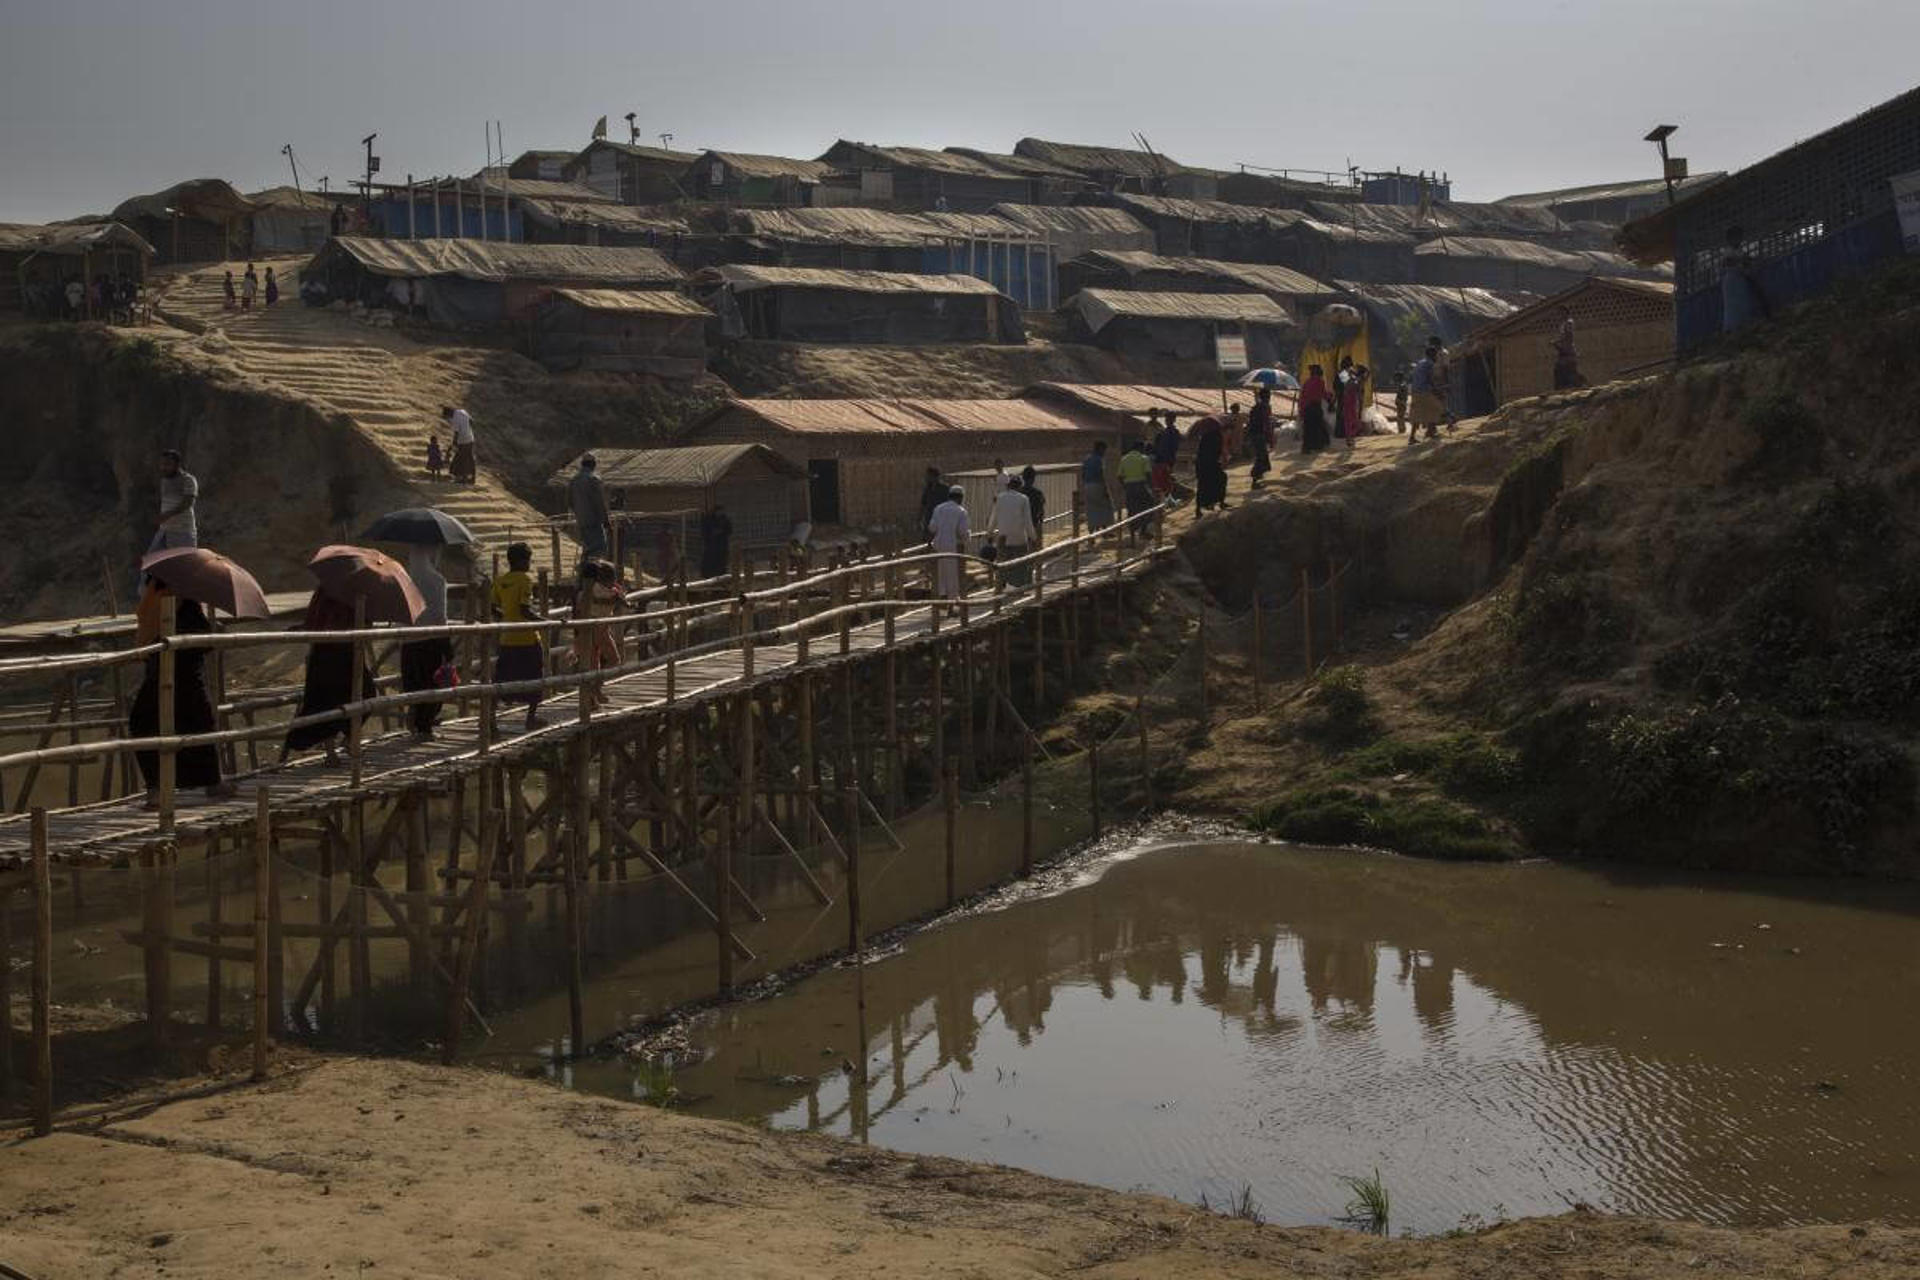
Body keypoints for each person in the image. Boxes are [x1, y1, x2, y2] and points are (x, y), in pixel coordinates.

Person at [128, 581, 232, 804]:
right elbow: (203, 642)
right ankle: (208, 783)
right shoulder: (178, 600)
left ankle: (158, 790)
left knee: (150, 726)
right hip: (178, 677)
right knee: (196, 726)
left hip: (165, 676)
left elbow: (146, 636)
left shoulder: (155, 599)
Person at [285, 589, 374, 763]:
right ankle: (333, 752)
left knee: (363, 694)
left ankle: (347, 741)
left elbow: (313, 619)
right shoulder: (331, 591)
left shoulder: (340, 591)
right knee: (326, 701)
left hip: (340, 652)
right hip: (331, 652)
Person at [490, 542, 548, 730]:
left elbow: (493, 607)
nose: (530, 563)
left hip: (507, 639)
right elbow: (525, 610)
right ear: (523, 561)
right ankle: (530, 718)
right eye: (529, 560)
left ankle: (491, 720)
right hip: (527, 639)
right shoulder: (525, 580)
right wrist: (543, 621)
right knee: (535, 677)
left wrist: (506, 618)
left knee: (501, 679)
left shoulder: (500, 581)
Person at [400, 545, 453, 740]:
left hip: (409, 641)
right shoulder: (437, 580)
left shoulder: (404, 580)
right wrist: (446, 644)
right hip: (431, 640)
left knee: (414, 684)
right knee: (432, 684)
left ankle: (417, 724)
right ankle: (425, 729)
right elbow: (440, 614)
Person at [572, 559, 624, 706]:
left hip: (594, 628)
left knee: (594, 664)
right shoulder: (599, 590)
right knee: (612, 660)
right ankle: (595, 692)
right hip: (596, 628)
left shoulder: (591, 590)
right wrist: (618, 597)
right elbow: (618, 601)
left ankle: (593, 695)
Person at [987, 474, 1037, 586]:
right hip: (1019, 538)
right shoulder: (1024, 499)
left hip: (1003, 539)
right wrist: (1033, 537)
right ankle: (1019, 589)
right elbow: (1028, 521)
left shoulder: (1000, 497)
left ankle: (1001, 587)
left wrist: (989, 533)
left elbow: (993, 517)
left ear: (1008, 486)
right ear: (1019, 486)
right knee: (1020, 566)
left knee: (1003, 565)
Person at [1720, 226, 1767, 334]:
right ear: (1730, 239)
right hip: (1731, 280)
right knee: (1732, 305)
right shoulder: (1728, 251)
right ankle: (1731, 327)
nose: (1738, 240)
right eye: (1736, 237)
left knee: (1742, 302)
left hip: (1740, 279)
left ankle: (1742, 325)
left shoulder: (1739, 251)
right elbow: (1728, 263)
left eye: (1739, 237)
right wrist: (1741, 263)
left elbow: (1748, 260)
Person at [927, 485, 970, 601]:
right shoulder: (961, 511)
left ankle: (940, 601)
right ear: (961, 498)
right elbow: (963, 532)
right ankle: (951, 606)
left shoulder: (938, 508)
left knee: (940, 575)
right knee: (953, 577)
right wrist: (967, 539)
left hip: (938, 547)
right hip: (953, 547)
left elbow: (932, 528)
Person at [569, 453, 611, 563]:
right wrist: (606, 521)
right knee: (598, 548)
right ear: (593, 465)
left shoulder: (574, 480)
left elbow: (569, 501)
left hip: (581, 521)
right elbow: (599, 503)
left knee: (587, 547)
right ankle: (592, 572)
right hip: (594, 521)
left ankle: (584, 572)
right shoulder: (593, 479)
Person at [1117, 438, 1154, 540]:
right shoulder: (1144, 458)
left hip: (1129, 488)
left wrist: (1125, 486)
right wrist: (1151, 487)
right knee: (1149, 507)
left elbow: (1120, 476)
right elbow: (1148, 474)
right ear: (1140, 448)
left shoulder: (1124, 459)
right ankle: (1143, 530)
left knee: (1132, 511)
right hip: (1141, 486)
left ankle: (1132, 537)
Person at [1191, 415, 1227, 513]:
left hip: (1201, 464)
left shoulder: (1204, 437)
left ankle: (1199, 508)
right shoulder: (1216, 436)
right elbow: (1219, 451)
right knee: (1221, 479)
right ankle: (1220, 502)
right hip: (1211, 464)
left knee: (1202, 485)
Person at [1407, 347, 1442, 445]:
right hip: (1424, 390)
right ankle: (1430, 432)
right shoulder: (1429, 363)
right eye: (1436, 355)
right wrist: (1437, 391)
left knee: (1417, 413)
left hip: (1415, 391)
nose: (1437, 357)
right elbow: (1430, 380)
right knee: (1436, 408)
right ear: (1432, 355)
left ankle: (1412, 437)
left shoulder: (1420, 362)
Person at [1298, 365, 1333, 453]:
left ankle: (1307, 448)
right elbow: (1323, 394)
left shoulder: (1307, 382)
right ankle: (1319, 445)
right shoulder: (1320, 382)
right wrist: (1330, 399)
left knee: (1308, 429)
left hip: (1306, 407)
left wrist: (1301, 410)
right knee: (1319, 426)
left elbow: (1302, 396)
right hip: (1315, 407)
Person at [1081, 441, 1114, 532]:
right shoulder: (1099, 459)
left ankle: (1091, 534)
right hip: (1097, 485)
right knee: (1106, 507)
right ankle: (1105, 531)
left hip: (1087, 485)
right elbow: (1101, 474)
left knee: (1091, 510)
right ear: (1100, 449)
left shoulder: (1087, 459)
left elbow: (1083, 474)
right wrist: (1105, 489)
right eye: (1104, 450)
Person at [1151, 410, 1182, 500]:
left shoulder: (1173, 432)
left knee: (1165, 481)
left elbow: (1173, 447)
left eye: (1169, 419)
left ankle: (1167, 499)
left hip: (1167, 460)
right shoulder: (1163, 432)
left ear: (1173, 420)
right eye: (1166, 419)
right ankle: (1165, 499)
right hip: (1161, 460)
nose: (1167, 420)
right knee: (1161, 481)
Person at [1247, 386, 1274, 486]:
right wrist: (1270, 438)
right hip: (1260, 434)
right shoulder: (1265, 407)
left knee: (1261, 456)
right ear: (1268, 397)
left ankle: (1258, 478)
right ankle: (1255, 481)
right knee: (1261, 457)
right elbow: (1266, 424)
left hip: (1253, 434)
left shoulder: (1256, 407)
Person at [698, 503, 732, 579]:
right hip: (712, 546)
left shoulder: (725, 519)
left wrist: (722, 531)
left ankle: (722, 575)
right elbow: (705, 532)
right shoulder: (709, 519)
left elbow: (729, 530)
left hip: (722, 545)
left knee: (722, 562)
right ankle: (708, 575)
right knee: (710, 561)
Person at [444, 406, 476, 484]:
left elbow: (456, 433)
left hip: (463, 441)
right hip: (470, 438)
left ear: (449, 414)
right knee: (469, 458)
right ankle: (471, 478)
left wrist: (454, 444)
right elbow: (471, 421)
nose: (448, 419)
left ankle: (462, 478)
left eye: (447, 417)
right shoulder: (462, 411)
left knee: (461, 460)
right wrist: (467, 429)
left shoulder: (455, 419)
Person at [1338, 357, 1364, 450]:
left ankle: (1351, 437)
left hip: (1353, 398)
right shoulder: (1343, 374)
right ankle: (1350, 438)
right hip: (1349, 398)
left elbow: (1359, 381)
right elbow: (1349, 385)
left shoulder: (1350, 373)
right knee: (1350, 420)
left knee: (1353, 420)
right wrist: (1356, 379)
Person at [916, 466, 948, 541]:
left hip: (941, 522)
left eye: (928, 476)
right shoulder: (928, 489)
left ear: (934, 476)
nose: (926, 478)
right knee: (927, 542)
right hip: (929, 521)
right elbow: (923, 505)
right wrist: (919, 520)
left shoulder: (944, 489)